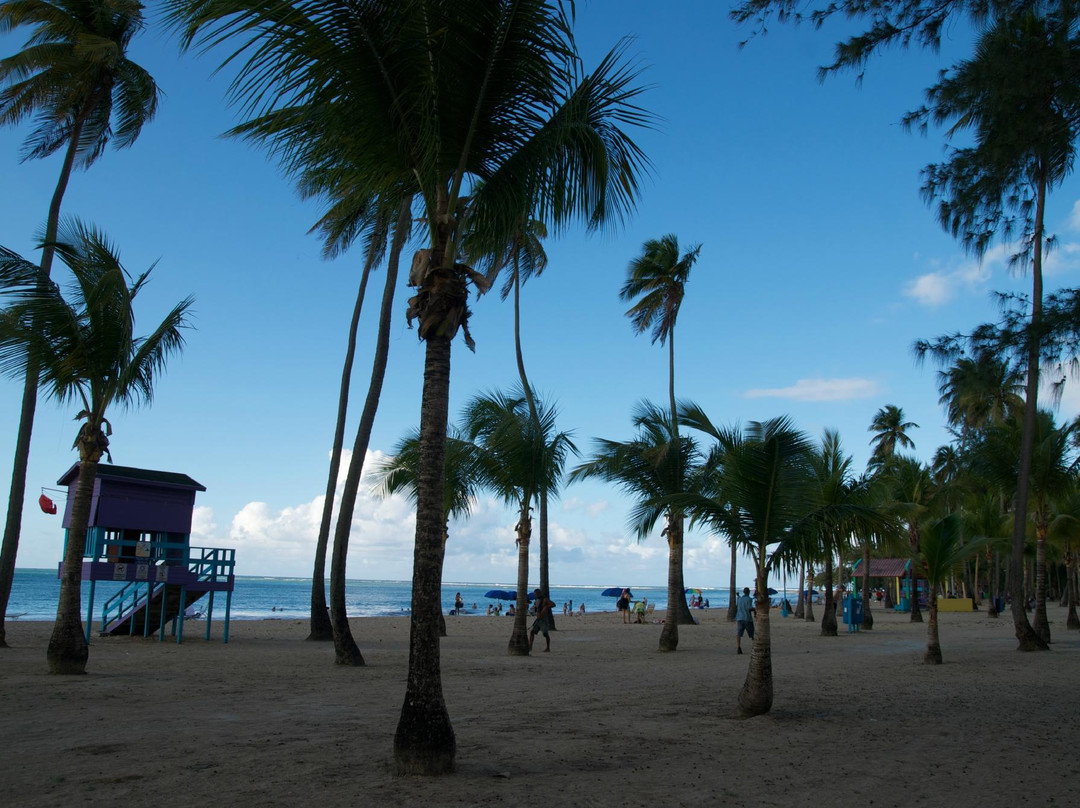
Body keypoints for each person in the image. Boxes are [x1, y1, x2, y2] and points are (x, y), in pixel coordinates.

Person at [735, 586, 756, 655]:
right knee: (752, 634)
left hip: (739, 618)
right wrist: (755, 610)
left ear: (743, 592)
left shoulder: (739, 599)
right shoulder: (749, 599)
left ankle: (738, 647)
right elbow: (749, 608)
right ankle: (755, 648)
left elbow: (739, 604)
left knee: (739, 634)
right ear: (749, 592)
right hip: (747, 618)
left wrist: (738, 595)